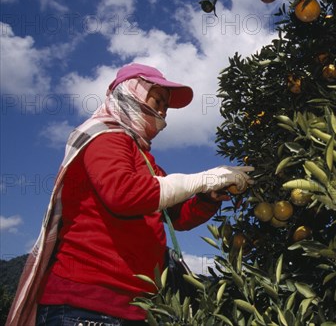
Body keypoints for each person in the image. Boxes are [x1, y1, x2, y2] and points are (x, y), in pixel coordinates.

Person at [7, 63, 254, 325]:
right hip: (86, 302)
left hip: (136, 307)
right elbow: (123, 194)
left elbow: (177, 216)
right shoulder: (106, 138)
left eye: (165, 107)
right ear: (131, 93)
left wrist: (207, 198)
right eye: (157, 101)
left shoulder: (145, 160)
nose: (162, 113)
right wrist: (202, 179)